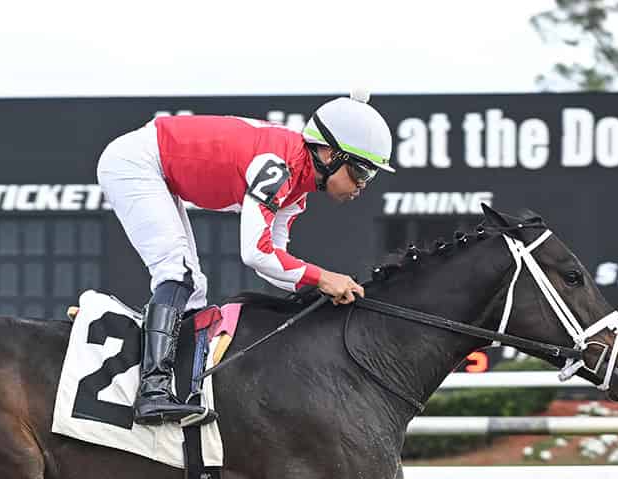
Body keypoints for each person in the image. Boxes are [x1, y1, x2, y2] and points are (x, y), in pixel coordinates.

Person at [96, 91, 395, 425]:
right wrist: (324, 277)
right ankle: (153, 392)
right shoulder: (278, 167)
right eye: (361, 172)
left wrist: (320, 287)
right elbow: (255, 253)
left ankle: (182, 387)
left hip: (156, 167)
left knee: (194, 291)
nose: (362, 185)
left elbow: (273, 264)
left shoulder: (297, 192)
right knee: (178, 275)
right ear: (329, 154)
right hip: (135, 163)